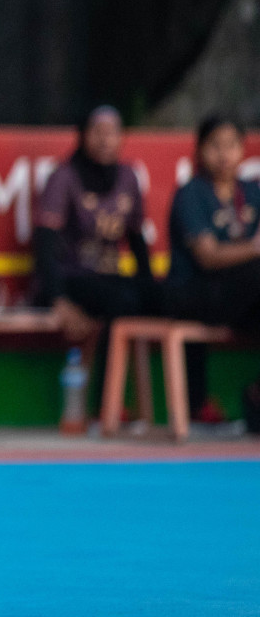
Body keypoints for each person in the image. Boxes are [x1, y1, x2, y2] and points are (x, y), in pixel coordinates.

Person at [33, 106, 161, 337]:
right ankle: (108, 374)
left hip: (109, 276)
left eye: (112, 132)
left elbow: (136, 240)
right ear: (82, 134)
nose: (105, 140)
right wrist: (57, 300)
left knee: (162, 299)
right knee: (120, 302)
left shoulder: (128, 177)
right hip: (72, 278)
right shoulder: (63, 177)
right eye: (97, 132)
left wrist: (150, 289)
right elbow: (45, 245)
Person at [166, 115, 260, 424]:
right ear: (199, 150)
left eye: (231, 146)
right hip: (196, 293)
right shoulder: (191, 194)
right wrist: (254, 248)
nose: (223, 154)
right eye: (214, 146)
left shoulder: (252, 192)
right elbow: (208, 257)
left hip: (242, 297)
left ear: (242, 151)